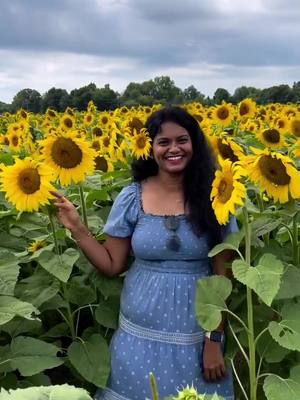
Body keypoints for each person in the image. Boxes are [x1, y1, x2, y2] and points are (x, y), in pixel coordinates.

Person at [53, 106, 237, 400]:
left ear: (195, 144)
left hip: (195, 339)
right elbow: (112, 264)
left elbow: (222, 276)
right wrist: (77, 227)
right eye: (163, 142)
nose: (173, 149)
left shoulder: (216, 195)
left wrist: (214, 339)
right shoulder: (132, 197)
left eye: (182, 140)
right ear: (150, 148)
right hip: (137, 338)